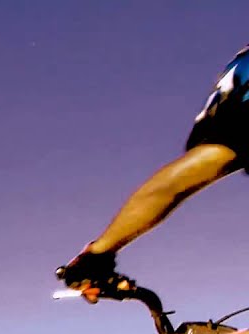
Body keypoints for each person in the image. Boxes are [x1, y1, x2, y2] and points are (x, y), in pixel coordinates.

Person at [61, 45, 248, 298]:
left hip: (235, 86)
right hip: (239, 91)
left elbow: (171, 186)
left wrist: (96, 255)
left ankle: (93, 260)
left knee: (212, 156)